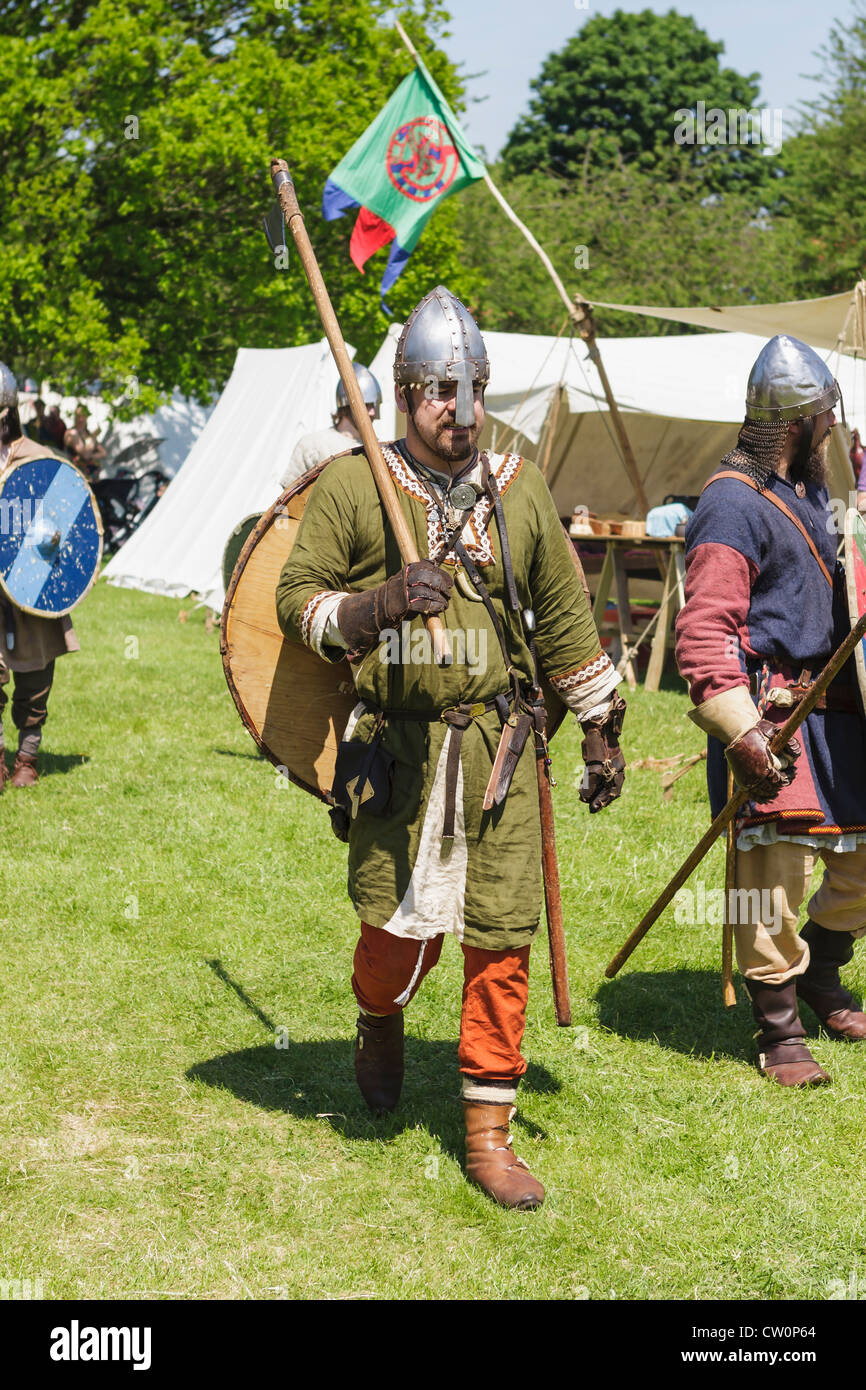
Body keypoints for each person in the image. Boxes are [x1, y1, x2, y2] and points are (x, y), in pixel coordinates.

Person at [275, 287, 626, 1207]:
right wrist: (379, 605)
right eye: (440, 390)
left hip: (499, 754)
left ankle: (487, 1135)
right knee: (393, 935)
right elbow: (297, 600)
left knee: (501, 943)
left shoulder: (521, 491)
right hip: (400, 753)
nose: (459, 412)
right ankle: (379, 1019)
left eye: (472, 389)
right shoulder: (359, 486)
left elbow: (564, 620)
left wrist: (599, 729)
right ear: (402, 393)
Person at [676, 334, 866, 1087]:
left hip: (836, 706)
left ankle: (820, 975)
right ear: (795, 424)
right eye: (823, 418)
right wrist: (741, 730)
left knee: (858, 864)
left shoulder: (810, 491)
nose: (831, 429)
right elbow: (704, 629)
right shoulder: (731, 503)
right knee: (772, 876)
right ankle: (779, 1026)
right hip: (773, 712)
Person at [0, 363, 81, 787]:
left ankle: (27, 757)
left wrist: (47, 538)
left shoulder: (40, 460)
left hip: (29, 588)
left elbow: (66, 521)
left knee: (34, 682)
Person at [278, 362, 382, 492]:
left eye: (374, 406)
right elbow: (291, 499)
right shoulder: (314, 445)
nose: (372, 412)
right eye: (367, 405)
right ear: (347, 404)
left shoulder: (377, 448)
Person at [64, 404, 106, 480]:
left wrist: (91, 455)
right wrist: (93, 437)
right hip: (78, 478)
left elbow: (103, 453)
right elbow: (85, 455)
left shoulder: (87, 433)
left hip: (92, 478)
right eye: (78, 416)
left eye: (83, 415)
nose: (80, 419)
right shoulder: (72, 433)